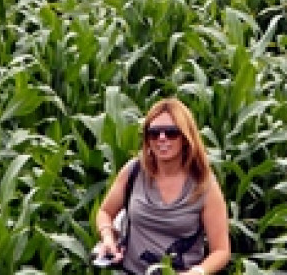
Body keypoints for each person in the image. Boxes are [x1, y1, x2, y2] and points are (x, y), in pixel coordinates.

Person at [93, 98, 231, 275]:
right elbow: (105, 212)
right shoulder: (133, 171)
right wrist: (107, 238)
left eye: (171, 132)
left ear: (185, 137)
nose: (162, 138)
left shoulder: (205, 185)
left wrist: (197, 272)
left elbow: (221, 250)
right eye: (154, 133)